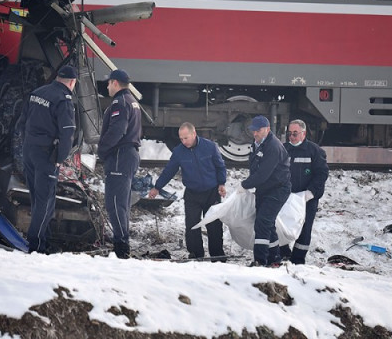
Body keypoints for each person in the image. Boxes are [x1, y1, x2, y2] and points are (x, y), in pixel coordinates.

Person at [19, 65, 77, 254]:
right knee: (45, 201)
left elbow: (22, 121)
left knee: (36, 197)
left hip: (29, 150)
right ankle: (36, 245)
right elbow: (67, 133)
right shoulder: (64, 100)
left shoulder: (38, 92)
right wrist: (60, 158)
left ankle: (42, 239)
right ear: (72, 82)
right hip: (46, 155)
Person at [147, 122, 227, 261]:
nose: (184, 141)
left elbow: (220, 166)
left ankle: (217, 255)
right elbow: (169, 171)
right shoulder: (179, 151)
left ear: (194, 133)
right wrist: (157, 187)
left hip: (211, 192)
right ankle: (196, 254)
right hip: (192, 193)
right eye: (181, 139)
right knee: (192, 225)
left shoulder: (210, 147)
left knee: (214, 225)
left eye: (186, 138)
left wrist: (221, 183)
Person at [98, 69, 142, 259]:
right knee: (122, 203)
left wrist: (102, 150)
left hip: (119, 155)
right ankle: (122, 243)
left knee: (114, 203)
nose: (107, 86)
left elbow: (117, 130)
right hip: (129, 155)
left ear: (115, 83)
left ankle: (121, 246)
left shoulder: (119, 102)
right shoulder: (133, 102)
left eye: (108, 83)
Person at [240, 115, 291, 266]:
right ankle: (274, 257)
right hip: (265, 188)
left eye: (258, 130)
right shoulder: (257, 143)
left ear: (267, 129)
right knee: (268, 223)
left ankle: (260, 260)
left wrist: (244, 184)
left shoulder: (273, 147)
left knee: (262, 222)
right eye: (253, 130)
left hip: (277, 189)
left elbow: (263, 173)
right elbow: (255, 168)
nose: (255, 133)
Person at [281, 119, 329, 265]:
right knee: (282, 225)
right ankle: (283, 252)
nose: (292, 137)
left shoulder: (315, 151)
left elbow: (321, 174)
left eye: (295, 133)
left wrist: (312, 192)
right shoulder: (283, 149)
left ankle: (298, 259)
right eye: (289, 133)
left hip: (306, 198)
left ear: (303, 133)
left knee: (304, 228)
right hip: (286, 197)